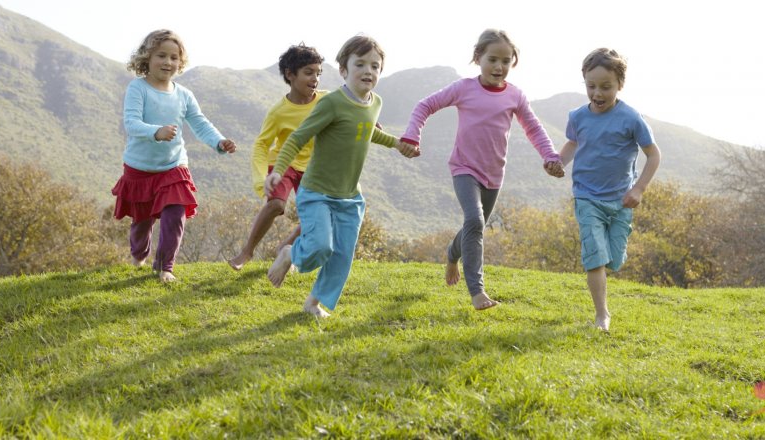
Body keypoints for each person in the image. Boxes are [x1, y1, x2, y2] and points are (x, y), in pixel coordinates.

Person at [400, 29, 564, 311]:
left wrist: (550, 155)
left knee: (472, 226)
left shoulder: (515, 96)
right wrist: (412, 136)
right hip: (464, 169)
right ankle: (477, 292)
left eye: (506, 61)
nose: (499, 67)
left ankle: (452, 254)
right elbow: (425, 105)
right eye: (492, 59)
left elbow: (534, 128)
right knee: (475, 222)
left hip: (494, 175)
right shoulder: (464, 88)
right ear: (478, 58)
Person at [264, 35, 418, 317]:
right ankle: (290, 254)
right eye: (360, 64)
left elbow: (366, 129)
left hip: (350, 196)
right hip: (317, 192)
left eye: (375, 66)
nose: (368, 71)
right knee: (320, 247)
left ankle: (314, 302)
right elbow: (299, 137)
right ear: (344, 70)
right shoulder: (331, 103)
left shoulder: (375, 103)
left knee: (342, 255)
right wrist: (280, 170)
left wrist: (397, 144)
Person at [112, 29, 237, 283]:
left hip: (173, 165)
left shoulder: (184, 95)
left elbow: (200, 124)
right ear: (147, 57)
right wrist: (156, 132)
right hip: (140, 168)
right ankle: (139, 256)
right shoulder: (138, 88)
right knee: (142, 222)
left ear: (180, 62)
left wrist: (219, 142)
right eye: (161, 55)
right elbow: (131, 123)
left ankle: (164, 267)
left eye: (174, 57)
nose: (168, 62)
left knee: (175, 214)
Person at [558, 48, 661, 331]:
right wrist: (559, 162)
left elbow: (654, 155)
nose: (597, 93)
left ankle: (607, 267)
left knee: (613, 260)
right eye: (591, 86)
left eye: (606, 87)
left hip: (621, 200)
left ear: (620, 85)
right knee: (595, 258)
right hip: (586, 196)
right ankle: (602, 315)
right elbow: (572, 144)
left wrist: (639, 189)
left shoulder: (631, 118)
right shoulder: (577, 116)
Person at [228, 43, 328, 271]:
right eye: (308, 73)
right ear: (290, 75)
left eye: (318, 73)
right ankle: (246, 252)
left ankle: (285, 246)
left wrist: (371, 124)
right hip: (284, 163)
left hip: (313, 168)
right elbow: (262, 144)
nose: (315, 79)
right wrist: (260, 178)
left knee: (319, 214)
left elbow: (351, 109)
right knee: (275, 205)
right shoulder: (278, 111)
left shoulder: (326, 100)